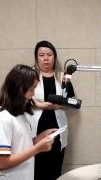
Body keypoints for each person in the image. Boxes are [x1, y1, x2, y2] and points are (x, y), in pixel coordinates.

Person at [0, 64, 57, 180]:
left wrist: (39, 138)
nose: (33, 94)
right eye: (31, 89)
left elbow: (21, 146)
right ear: (19, 89)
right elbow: (2, 163)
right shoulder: (3, 119)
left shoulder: (19, 115)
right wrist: (37, 149)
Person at [26, 40, 75, 180]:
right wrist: (40, 105)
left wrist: (61, 104)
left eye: (49, 54)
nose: (46, 58)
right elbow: (20, 100)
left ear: (55, 57)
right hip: (35, 130)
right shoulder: (29, 75)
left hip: (57, 130)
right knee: (36, 170)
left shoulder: (64, 76)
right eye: (41, 55)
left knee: (55, 171)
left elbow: (72, 101)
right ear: (36, 57)